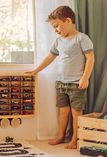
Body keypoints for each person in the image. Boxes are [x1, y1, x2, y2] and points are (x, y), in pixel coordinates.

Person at [26, 6, 95, 149]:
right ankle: (60, 135)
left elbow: (90, 59)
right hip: (61, 83)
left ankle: (75, 138)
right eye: (53, 27)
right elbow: (50, 57)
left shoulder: (82, 38)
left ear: (68, 20)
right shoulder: (59, 41)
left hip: (76, 83)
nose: (55, 30)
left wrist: (85, 77)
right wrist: (36, 70)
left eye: (56, 26)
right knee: (63, 111)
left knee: (76, 112)